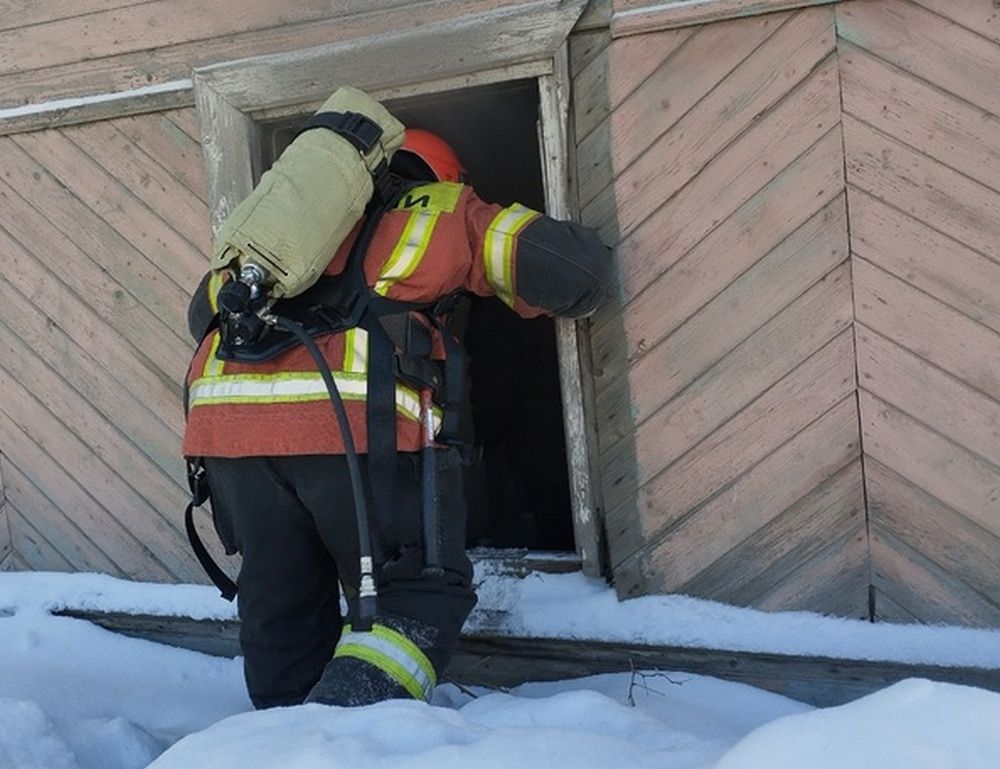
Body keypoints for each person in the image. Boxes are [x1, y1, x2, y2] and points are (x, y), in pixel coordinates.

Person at [182, 122, 613, 709]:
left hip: (227, 440)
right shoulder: (442, 210)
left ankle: (281, 741)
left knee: (281, 599)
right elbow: (572, 274)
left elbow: (198, 317)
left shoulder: (267, 237)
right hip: (356, 436)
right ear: (442, 176)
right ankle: (342, 726)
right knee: (415, 600)